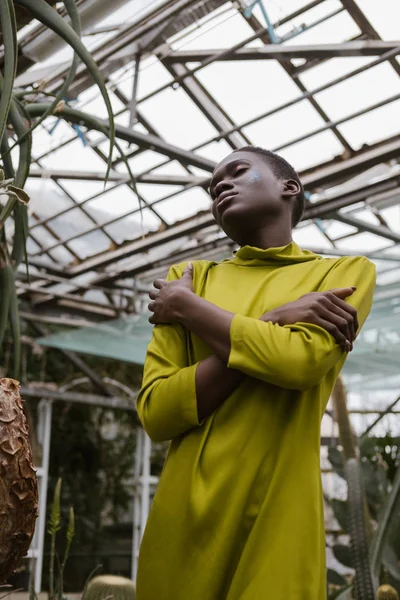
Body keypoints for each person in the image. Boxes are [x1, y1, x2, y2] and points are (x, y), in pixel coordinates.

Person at [135, 146, 376, 600]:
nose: (219, 185)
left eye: (238, 171)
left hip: (278, 517)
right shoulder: (190, 278)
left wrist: (188, 310)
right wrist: (275, 319)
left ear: (290, 187)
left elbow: (297, 364)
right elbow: (159, 413)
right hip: (181, 523)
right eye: (212, 186)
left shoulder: (344, 272)